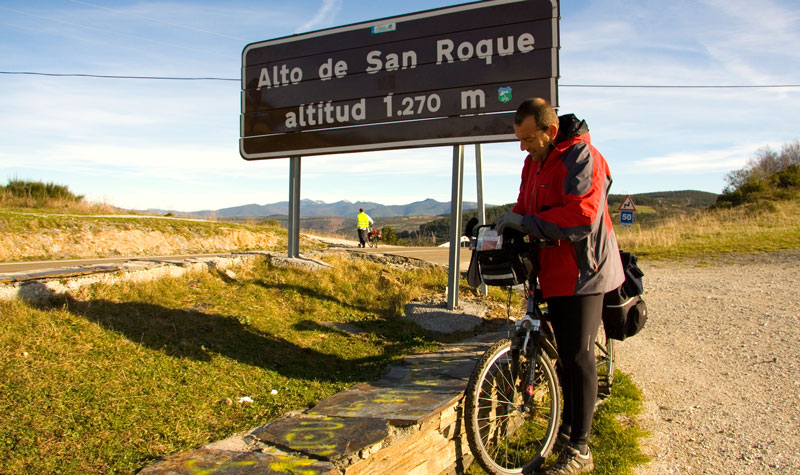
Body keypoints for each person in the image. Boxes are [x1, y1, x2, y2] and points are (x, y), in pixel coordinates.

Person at [495, 98, 624, 474]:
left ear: (550, 132)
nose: (522, 147)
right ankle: (566, 430)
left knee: (579, 357)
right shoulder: (532, 161)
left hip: (585, 270)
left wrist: (527, 224)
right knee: (563, 354)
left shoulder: (583, 158)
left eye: (528, 139)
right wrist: (508, 224)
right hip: (551, 269)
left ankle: (580, 452)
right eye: (519, 139)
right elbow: (524, 206)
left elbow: (581, 215)